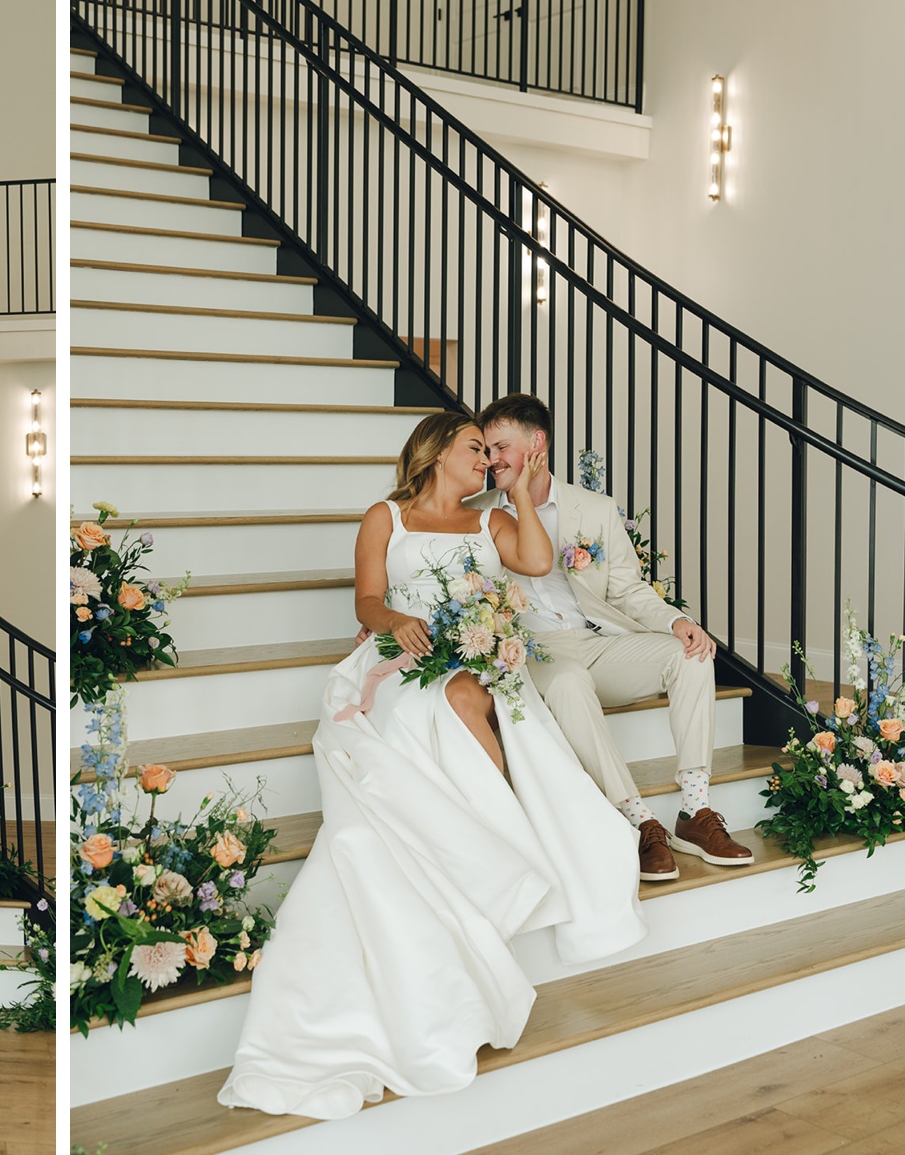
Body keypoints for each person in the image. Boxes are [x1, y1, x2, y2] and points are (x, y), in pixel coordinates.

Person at [217, 412, 646, 1120]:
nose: (484, 460)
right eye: (475, 449)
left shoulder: (491, 523)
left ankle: (487, 842)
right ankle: (483, 843)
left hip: (476, 658)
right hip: (400, 656)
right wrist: (394, 624)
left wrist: (522, 495)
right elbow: (366, 599)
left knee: (472, 692)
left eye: (489, 453)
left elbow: (537, 564)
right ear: (437, 451)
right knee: (444, 699)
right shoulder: (386, 515)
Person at [471, 394, 754, 880]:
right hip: (531, 652)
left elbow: (626, 589)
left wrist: (675, 623)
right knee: (567, 682)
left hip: (595, 642)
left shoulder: (594, 509)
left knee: (690, 657)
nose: (490, 460)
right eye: (486, 450)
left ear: (538, 443)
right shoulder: (478, 514)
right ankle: (639, 820)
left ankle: (695, 811)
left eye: (500, 447)